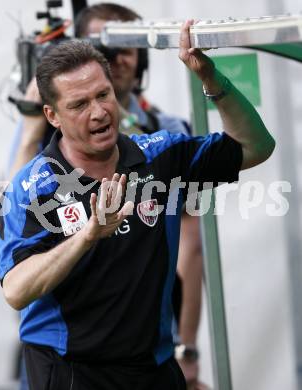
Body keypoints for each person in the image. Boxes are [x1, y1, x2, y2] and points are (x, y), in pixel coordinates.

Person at [0, 19, 275, 390]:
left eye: (103, 95)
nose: (98, 112)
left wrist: (212, 80)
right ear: (52, 116)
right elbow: (16, 289)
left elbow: (257, 146)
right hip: (70, 373)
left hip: (152, 370)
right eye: (79, 104)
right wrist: (88, 235)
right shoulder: (29, 189)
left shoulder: (159, 154)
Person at [74, 5, 203, 387]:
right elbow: (13, 206)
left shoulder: (167, 133)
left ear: (142, 57)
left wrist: (187, 348)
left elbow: (191, 246)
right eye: (99, 48)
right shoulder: (46, 130)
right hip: (73, 350)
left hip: (151, 349)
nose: (112, 59)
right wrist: (34, 112)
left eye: (125, 46)